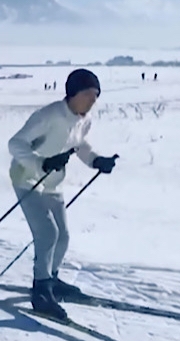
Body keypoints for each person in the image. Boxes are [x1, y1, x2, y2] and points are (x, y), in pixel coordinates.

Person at [7, 68, 118, 320]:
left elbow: (79, 145)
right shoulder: (49, 115)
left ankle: (52, 279)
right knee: (48, 233)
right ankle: (41, 290)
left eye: (96, 95)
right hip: (28, 180)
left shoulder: (83, 120)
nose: (93, 101)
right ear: (74, 93)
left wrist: (97, 161)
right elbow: (15, 144)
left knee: (63, 236)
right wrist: (41, 163)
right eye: (89, 94)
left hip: (53, 182)